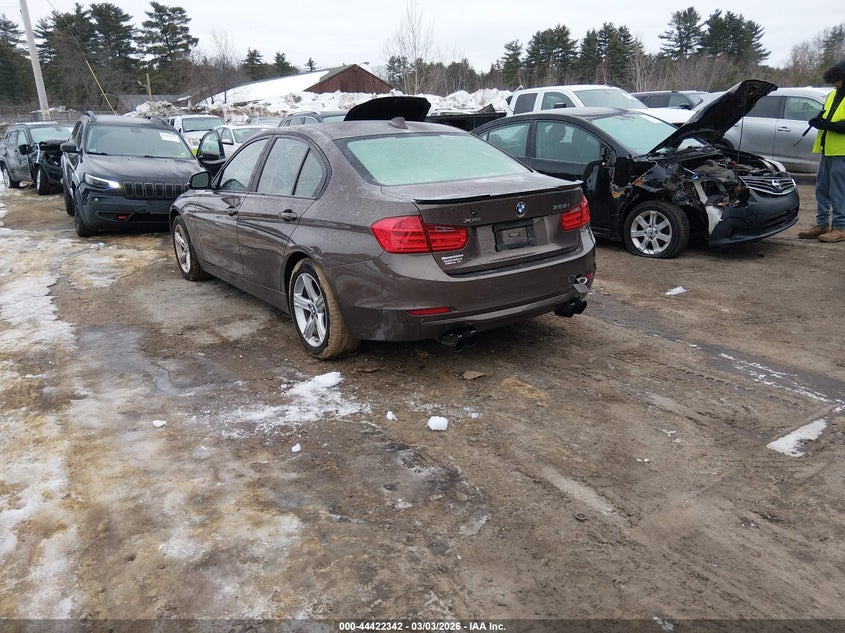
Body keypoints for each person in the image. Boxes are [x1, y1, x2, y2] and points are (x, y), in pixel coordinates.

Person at [798, 59, 845, 242]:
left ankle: (840, 228)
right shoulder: (833, 95)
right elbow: (827, 115)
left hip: (842, 151)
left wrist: (830, 125)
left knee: (839, 191)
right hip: (827, 149)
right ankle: (822, 223)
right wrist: (818, 121)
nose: (835, 84)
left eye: (837, 80)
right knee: (822, 188)